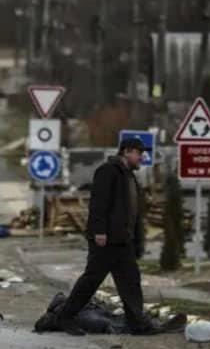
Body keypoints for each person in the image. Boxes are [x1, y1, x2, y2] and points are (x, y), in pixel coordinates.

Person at [53, 136, 156, 335]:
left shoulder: (129, 176)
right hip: (106, 239)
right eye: (139, 153)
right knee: (92, 280)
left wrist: (136, 240)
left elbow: (132, 211)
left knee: (130, 280)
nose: (141, 158)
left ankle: (137, 323)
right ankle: (64, 317)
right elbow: (99, 203)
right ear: (126, 151)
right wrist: (100, 231)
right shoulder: (108, 171)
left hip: (122, 240)